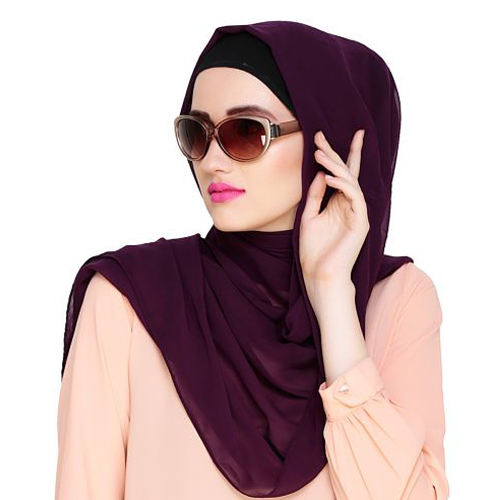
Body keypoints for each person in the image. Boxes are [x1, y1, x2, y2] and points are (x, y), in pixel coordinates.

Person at [55, 21, 450, 499]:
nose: (212, 161)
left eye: (245, 132)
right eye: (197, 134)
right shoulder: (131, 298)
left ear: (326, 137)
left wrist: (333, 301)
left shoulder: (398, 299)